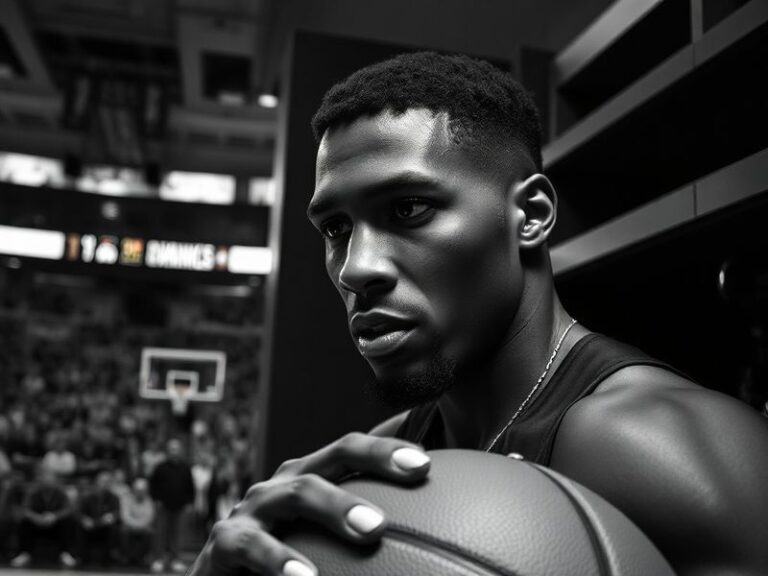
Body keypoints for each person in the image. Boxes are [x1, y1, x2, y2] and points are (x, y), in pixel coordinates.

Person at [189, 52, 768, 576]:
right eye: (336, 229)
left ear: (532, 215)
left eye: (408, 208)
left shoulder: (663, 447)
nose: (355, 268)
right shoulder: (388, 455)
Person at [10, 464, 77, 568]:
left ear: (55, 480)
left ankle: (65, 554)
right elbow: (25, 509)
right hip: (37, 525)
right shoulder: (33, 492)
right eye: (45, 477)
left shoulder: (60, 493)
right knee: (24, 522)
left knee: (68, 522)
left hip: (55, 525)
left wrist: (55, 516)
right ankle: (25, 553)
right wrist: (36, 517)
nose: (47, 480)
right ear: (40, 479)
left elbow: (68, 509)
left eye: (50, 478)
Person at [149, 438, 194, 573]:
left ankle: (176, 560)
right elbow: (153, 485)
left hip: (180, 507)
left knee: (178, 535)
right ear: (167, 451)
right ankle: (159, 559)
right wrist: (156, 499)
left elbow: (190, 488)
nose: (174, 451)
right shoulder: (160, 467)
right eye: (171, 449)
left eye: (176, 449)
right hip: (163, 506)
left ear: (180, 451)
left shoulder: (186, 468)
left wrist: (190, 502)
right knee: (161, 533)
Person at [78, 470, 121, 565]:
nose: (105, 484)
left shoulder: (114, 498)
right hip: (90, 524)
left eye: (108, 481)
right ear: (97, 482)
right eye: (103, 481)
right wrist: (84, 519)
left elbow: (116, 513)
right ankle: (81, 558)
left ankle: (108, 558)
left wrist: (111, 517)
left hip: (104, 526)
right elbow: (80, 512)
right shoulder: (87, 496)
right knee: (78, 526)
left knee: (113, 528)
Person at [120, 477, 155, 567]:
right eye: (138, 490)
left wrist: (139, 526)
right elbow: (125, 516)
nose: (140, 492)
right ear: (134, 490)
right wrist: (136, 526)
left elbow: (149, 518)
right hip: (130, 526)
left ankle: (138, 558)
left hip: (143, 527)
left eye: (142, 490)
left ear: (146, 491)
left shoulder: (149, 500)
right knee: (123, 531)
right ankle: (128, 557)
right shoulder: (126, 498)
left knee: (150, 532)